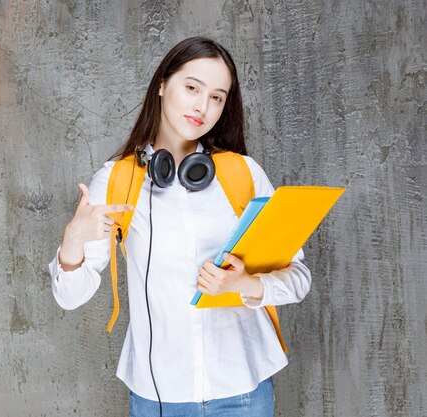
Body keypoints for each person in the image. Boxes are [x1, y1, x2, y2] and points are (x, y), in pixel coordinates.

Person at [48, 36, 312, 417]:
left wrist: (245, 285)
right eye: (192, 88)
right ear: (162, 85)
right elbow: (70, 297)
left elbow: (299, 277)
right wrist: (73, 239)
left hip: (244, 392)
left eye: (217, 97)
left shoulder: (244, 175)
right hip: (159, 396)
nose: (202, 106)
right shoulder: (118, 180)